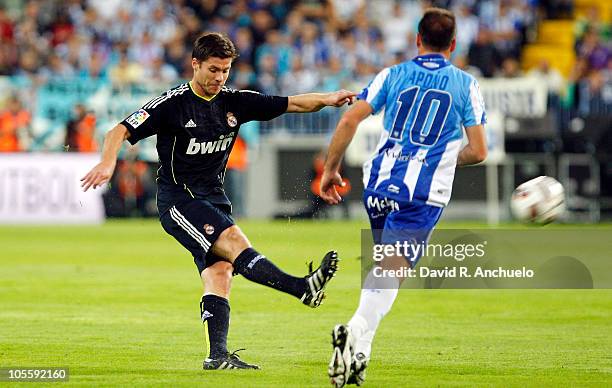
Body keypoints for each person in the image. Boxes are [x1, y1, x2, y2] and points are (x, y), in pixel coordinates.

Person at [81, 32, 356, 370]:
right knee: (234, 242)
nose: (219, 77)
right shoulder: (172, 104)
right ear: (195, 64)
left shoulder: (235, 102)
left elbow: (294, 103)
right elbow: (119, 131)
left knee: (221, 272)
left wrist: (330, 98)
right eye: (213, 69)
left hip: (213, 200)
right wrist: (108, 162)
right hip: (179, 202)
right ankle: (300, 288)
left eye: (225, 70)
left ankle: (218, 356)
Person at [320, 9, 487, 387]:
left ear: (417, 39)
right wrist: (445, 159)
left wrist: (330, 169)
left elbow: (349, 120)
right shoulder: (465, 84)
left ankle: (361, 355)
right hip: (422, 194)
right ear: (454, 44)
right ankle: (354, 328)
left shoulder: (392, 75)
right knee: (392, 272)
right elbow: (478, 151)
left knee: (384, 268)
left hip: (378, 184)